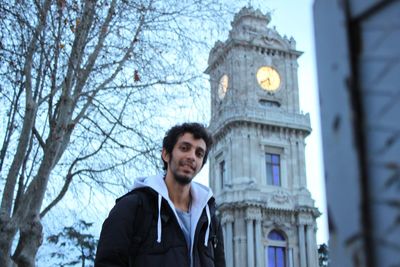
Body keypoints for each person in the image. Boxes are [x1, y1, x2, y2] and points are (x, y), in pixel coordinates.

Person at [95, 122, 226, 267]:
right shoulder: (132, 207)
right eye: (184, 148)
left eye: (199, 153)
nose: (192, 157)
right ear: (166, 154)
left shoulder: (210, 221)